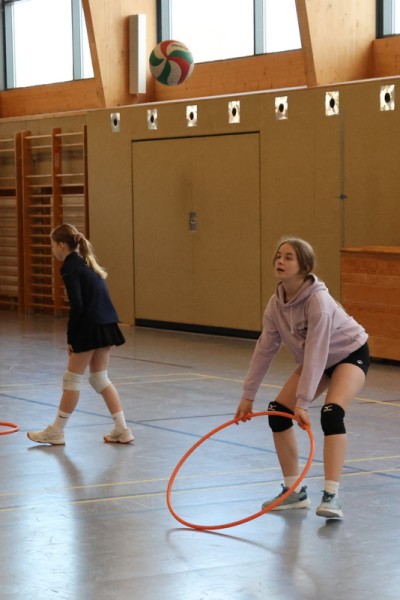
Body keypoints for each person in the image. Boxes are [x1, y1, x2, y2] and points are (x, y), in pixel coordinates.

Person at [235, 237, 369, 519]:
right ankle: (293, 491)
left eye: (288, 257)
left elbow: (319, 352)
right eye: (278, 256)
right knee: (278, 412)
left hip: (348, 354)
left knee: (332, 414)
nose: (280, 261)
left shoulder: (318, 301)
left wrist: (303, 403)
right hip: (316, 359)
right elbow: (264, 350)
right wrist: (248, 396)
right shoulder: (276, 304)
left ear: (304, 266)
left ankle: (331, 496)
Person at [27, 223, 134, 446]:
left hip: (90, 325)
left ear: (61, 245)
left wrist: (71, 338)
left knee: (72, 379)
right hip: (106, 324)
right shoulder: (86, 261)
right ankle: (122, 429)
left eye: (52, 245)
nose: (52, 250)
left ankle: (56, 431)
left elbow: (77, 305)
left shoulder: (69, 266)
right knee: (99, 378)